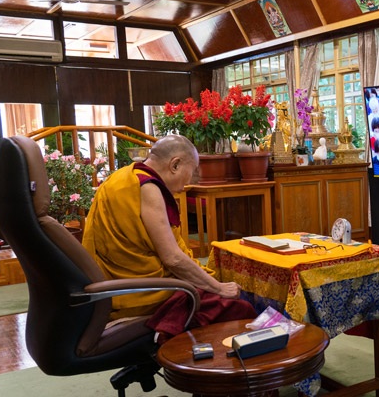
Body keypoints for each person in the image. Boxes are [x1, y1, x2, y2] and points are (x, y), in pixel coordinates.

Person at [82, 135, 257, 334]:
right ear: (175, 165)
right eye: (191, 173)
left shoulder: (120, 177)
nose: (187, 183)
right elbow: (173, 259)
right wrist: (218, 288)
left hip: (114, 285)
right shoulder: (148, 188)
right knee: (239, 309)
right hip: (141, 293)